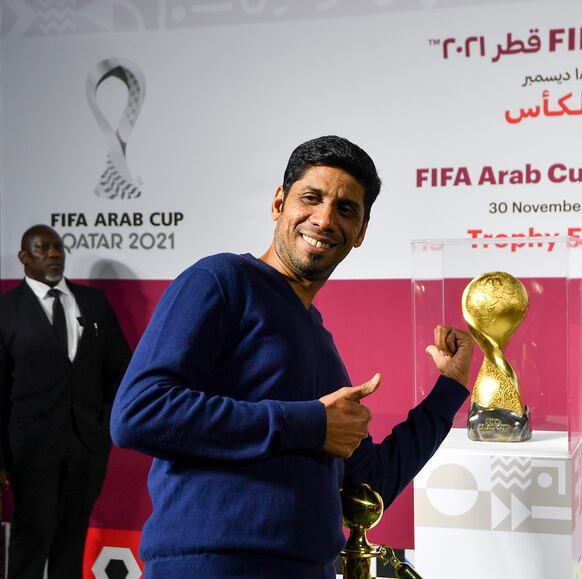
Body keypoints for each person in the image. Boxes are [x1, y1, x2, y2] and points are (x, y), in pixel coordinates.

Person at [110, 135, 474, 578]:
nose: (324, 219)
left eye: (345, 209)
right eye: (311, 198)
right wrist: (309, 423)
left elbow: (368, 483)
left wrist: (449, 389)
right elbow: (139, 412)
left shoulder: (320, 340)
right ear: (279, 203)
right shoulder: (221, 279)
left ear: (360, 232)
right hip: (217, 566)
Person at [0, 224, 132, 579]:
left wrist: (104, 427)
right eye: (43, 249)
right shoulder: (6, 311)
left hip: (85, 448)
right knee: (31, 539)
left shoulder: (94, 303)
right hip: (30, 452)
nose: (54, 255)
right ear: (24, 258)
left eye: (58, 247)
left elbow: (121, 370)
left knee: (71, 542)